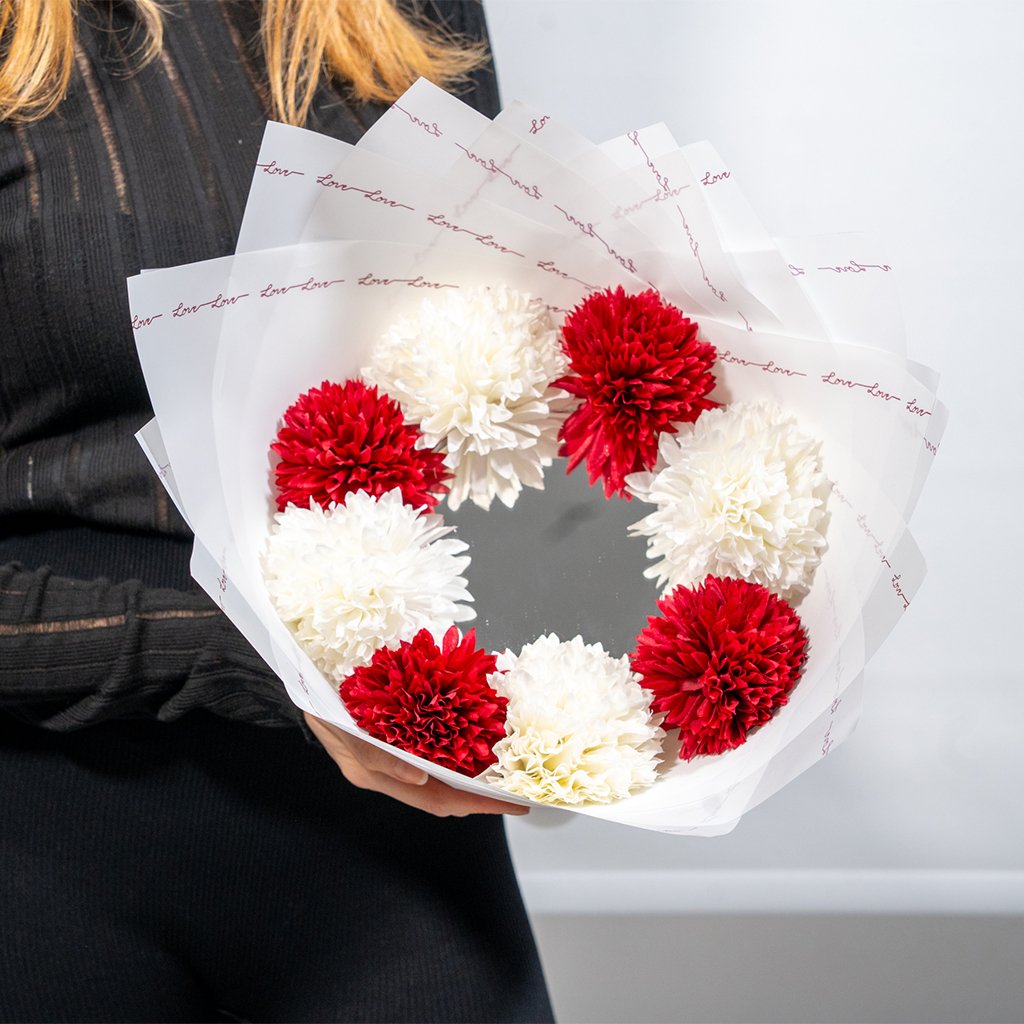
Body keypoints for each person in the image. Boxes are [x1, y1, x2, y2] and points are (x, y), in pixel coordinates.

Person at [0, 1, 554, 1020]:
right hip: (42, 845)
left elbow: (475, 380)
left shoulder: (400, 13)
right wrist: (258, 656)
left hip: (389, 833)